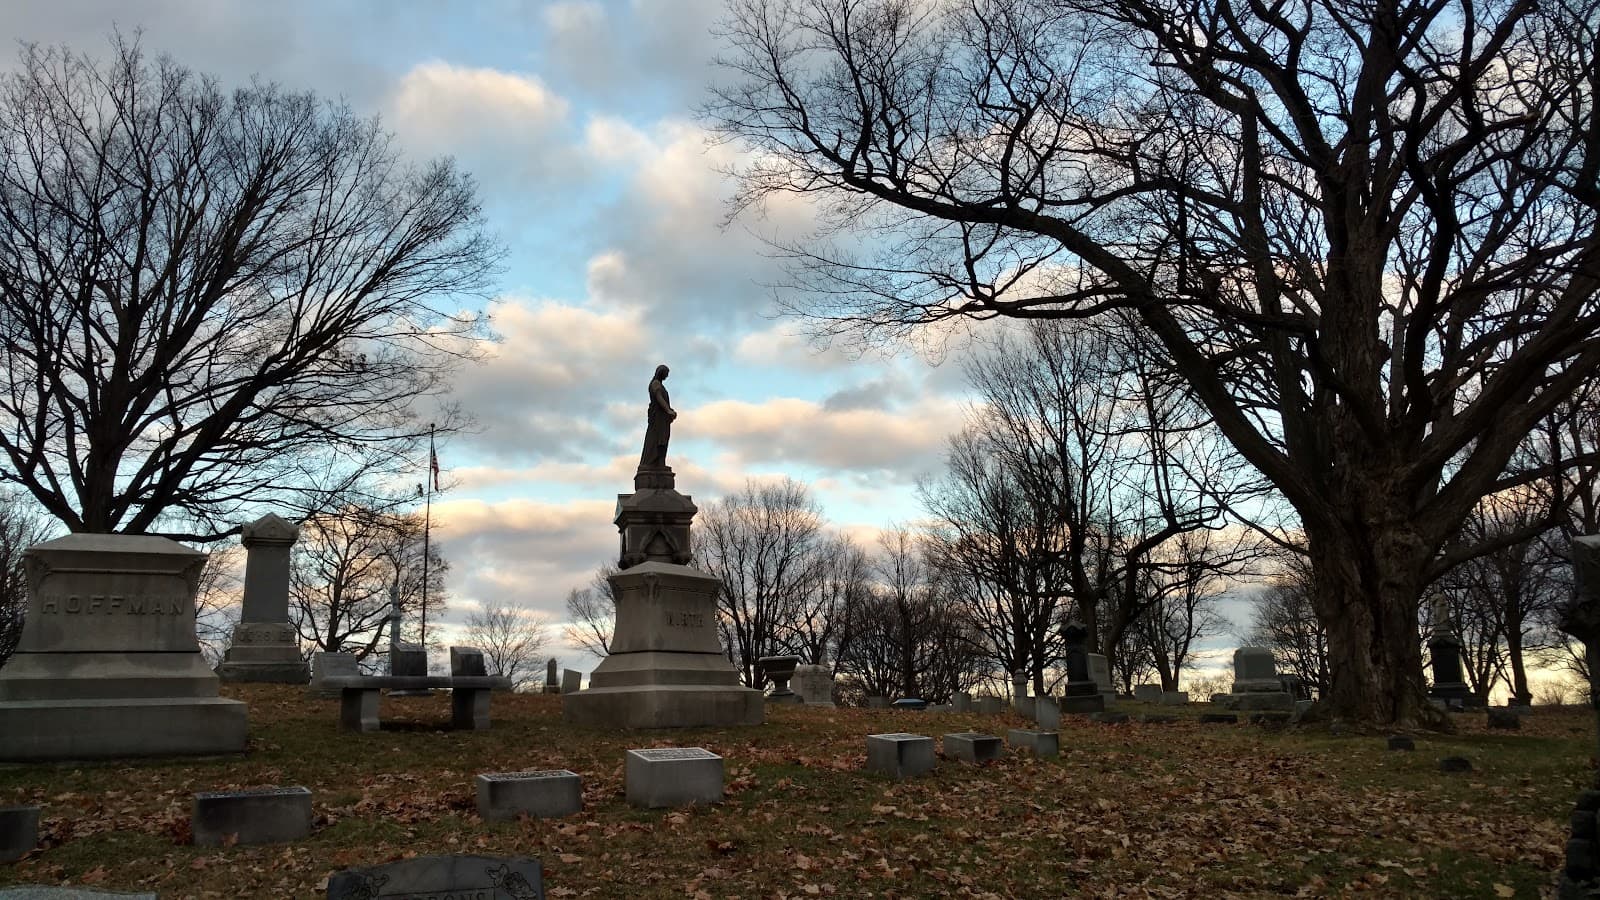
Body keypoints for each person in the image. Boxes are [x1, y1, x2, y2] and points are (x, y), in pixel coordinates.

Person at [638, 364, 676, 469]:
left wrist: (670, 410)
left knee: (663, 439)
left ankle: (661, 463)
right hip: (658, 418)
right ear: (661, 373)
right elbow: (659, 398)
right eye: (666, 374)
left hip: (663, 418)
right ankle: (655, 462)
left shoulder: (660, 385)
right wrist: (668, 410)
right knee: (658, 439)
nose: (667, 376)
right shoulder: (656, 384)